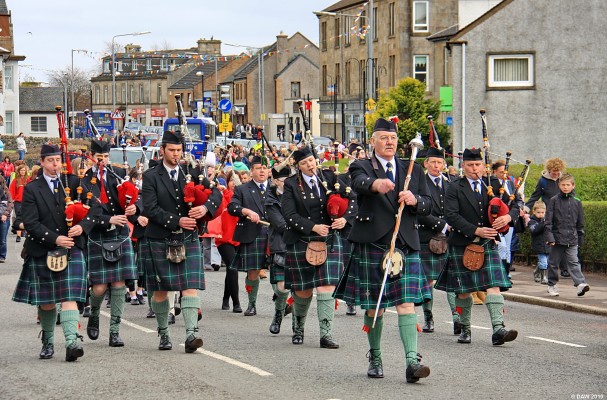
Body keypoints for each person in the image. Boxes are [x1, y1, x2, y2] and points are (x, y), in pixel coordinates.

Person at [334, 118, 432, 382]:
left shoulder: (412, 168)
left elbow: (429, 203)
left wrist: (415, 200)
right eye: (384, 138)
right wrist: (377, 185)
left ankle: (412, 361)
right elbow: (359, 182)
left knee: (406, 304)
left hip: (404, 243)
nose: (390, 142)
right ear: (373, 141)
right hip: (374, 244)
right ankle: (375, 356)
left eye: (393, 138)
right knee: (373, 308)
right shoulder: (362, 165)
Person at [12, 143, 99, 361]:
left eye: (58, 160)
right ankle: (48, 342)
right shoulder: (32, 188)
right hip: (43, 249)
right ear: (41, 162)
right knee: (48, 301)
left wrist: (83, 226)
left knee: (69, 296)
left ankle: (71, 343)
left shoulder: (73, 183)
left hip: (72, 248)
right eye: (50, 161)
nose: (55, 165)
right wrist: (55, 238)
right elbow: (30, 223)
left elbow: (96, 208)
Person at [140, 130, 222, 352]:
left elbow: (217, 195)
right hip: (160, 237)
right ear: (162, 151)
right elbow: (150, 208)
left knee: (190, 287)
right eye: (172, 150)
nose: (176, 155)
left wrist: (205, 207)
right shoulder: (150, 176)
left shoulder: (192, 172)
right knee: (160, 291)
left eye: (179, 151)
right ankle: (164, 333)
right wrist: (178, 220)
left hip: (187, 238)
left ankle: (190, 335)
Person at [435, 148, 519, 346]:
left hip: (487, 244)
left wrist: (508, 217)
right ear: (463, 166)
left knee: (494, 285)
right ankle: (465, 329)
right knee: (463, 291)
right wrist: (476, 230)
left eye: (478, 165)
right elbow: (451, 216)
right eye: (470, 165)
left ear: (483, 165)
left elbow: (516, 204)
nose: (475, 169)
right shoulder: (454, 187)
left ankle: (498, 328)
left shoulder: (495, 184)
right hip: (463, 244)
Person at [282, 146, 345, 350]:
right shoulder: (291, 184)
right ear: (298, 167)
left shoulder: (330, 177)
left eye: (311, 160)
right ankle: (298, 328)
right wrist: (313, 227)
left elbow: (351, 200)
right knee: (303, 291)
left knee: (326, 287)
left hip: (329, 240)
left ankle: (326, 334)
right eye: (304, 163)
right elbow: (289, 215)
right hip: (303, 240)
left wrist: (344, 219)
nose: (309, 165)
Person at [82, 140, 139, 348]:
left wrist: (135, 210)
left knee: (119, 284)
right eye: (99, 157)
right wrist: (108, 220)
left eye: (106, 157)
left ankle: (115, 331)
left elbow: (135, 197)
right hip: (98, 235)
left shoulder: (117, 174)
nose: (103, 161)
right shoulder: (84, 180)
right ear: (91, 156)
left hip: (120, 234)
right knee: (98, 288)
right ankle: (95, 313)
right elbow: (84, 211)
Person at [417, 147, 461, 335]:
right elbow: (420, 211)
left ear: (444, 164)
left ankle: (457, 318)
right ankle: (428, 317)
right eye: (433, 162)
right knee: (427, 282)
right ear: (426, 164)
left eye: (440, 163)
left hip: (450, 239)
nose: (437, 166)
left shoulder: (451, 182)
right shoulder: (420, 183)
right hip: (426, 238)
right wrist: (443, 225)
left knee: (452, 281)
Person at [227, 156, 270, 316]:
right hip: (254, 233)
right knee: (253, 271)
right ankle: (252, 304)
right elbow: (232, 207)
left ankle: (281, 302)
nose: (262, 171)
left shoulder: (276, 189)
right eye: (258, 168)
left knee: (281, 271)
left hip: (275, 235)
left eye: (264, 168)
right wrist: (246, 211)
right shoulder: (243, 189)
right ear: (251, 171)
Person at [545, 173, 589, 297]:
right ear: (559, 185)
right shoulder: (553, 200)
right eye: (563, 184)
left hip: (572, 238)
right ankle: (552, 285)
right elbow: (548, 221)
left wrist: (580, 239)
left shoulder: (577, 202)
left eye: (568, 185)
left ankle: (580, 284)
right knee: (553, 263)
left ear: (573, 186)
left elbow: (580, 223)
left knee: (574, 262)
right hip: (556, 238)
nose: (565, 187)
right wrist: (550, 237)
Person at [265, 165, 293, 334]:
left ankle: (298, 328)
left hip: (301, 244)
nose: (287, 184)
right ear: (276, 181)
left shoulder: (298, 194)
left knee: (301, 288)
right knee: (282, 287)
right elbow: (281, 224)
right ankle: (278, 314)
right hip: (281, 245)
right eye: (283, 181)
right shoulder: (271, 199)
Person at [217, 170, 242, 313]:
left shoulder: (242, 195)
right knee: (233, 267)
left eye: (236, 180)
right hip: (224, 238)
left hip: (238, 238)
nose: (234, 182)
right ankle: (236, 303)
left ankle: (226, 298)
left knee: (230, 270)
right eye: (231, 179)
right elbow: (229, 203)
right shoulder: (223, 196)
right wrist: (224, 190)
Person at [525, 201, 550, 284]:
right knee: (543, 261)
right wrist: (543, 223)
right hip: (539, 245)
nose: (540, 214)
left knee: (547, 261)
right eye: (538, 212)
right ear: (534, 211)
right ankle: (544, 277)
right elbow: (535, 230)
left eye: (543, 212)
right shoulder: (532, 221)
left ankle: (537, 272)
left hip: (547, 244)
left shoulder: (547, 221)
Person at [9, 164, 28, 242]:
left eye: (24, 170)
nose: (23, 172)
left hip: (27, 201)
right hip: (18, 202)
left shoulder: (28, 179)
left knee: (27, 217)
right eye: (21, 170)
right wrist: (12, 200)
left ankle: (27, 233)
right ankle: (18, 235)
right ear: (19, 171)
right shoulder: (16, 180)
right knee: (19, 218)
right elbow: (11, 191)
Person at [0, 175, 13, 262]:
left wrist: (6, 214)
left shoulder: (6, 191)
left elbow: (10, 203)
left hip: (4, 217)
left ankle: (2, 256)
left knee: (2, 239)